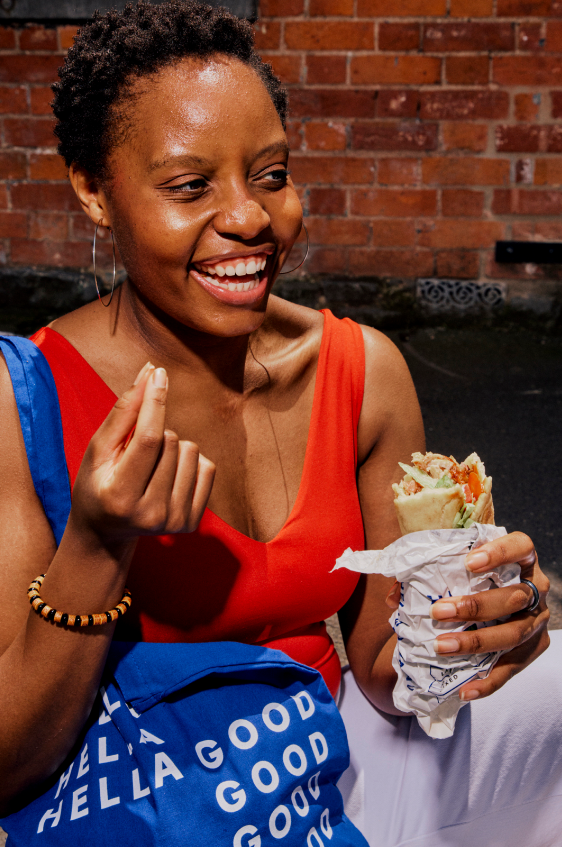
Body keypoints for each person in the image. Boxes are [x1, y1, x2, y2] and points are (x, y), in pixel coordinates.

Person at [0, 2, 555, 843]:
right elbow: (12, 760)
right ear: (93, 189)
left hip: (330, 751)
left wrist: (475, 622)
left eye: (270, 174)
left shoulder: (363, 371)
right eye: (190, 186)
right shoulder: (24, 398)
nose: (252, 219)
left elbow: (379, 672)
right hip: (152, 789)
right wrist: (97, 543)